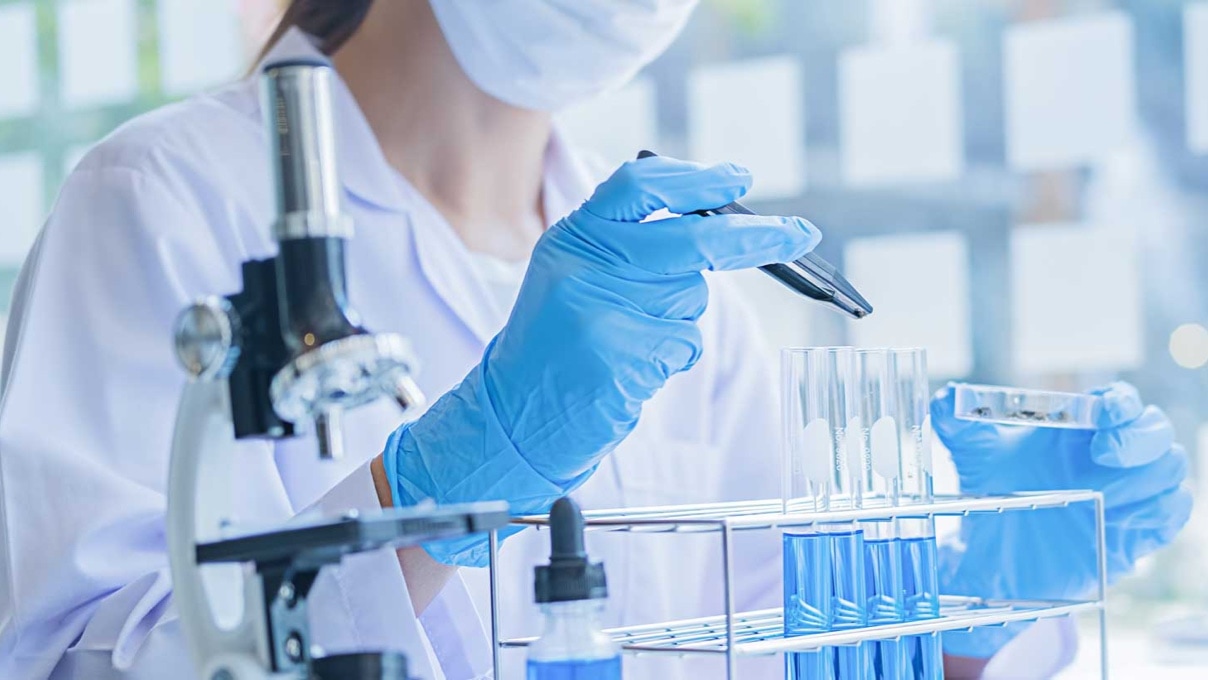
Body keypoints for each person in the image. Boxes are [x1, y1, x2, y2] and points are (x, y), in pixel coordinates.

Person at [0, 1, 1189, 678]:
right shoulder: (163, 200)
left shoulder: (686, 283)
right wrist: (443, 485)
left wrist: (950, 598)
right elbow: (67, 667)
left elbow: (779, 654)